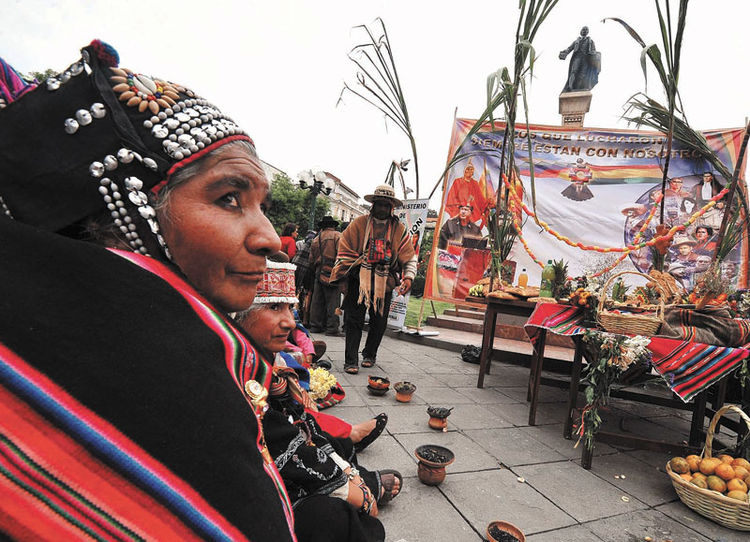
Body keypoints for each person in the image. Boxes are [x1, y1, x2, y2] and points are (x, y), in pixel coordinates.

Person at [0, 42, 296, 539]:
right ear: (132, 204)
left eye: (260, 204)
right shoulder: (172, 364)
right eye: (229, 198)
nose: (269, 237)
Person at [237, 262, 400, 542]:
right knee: (330, 516)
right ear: (239, 313)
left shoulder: (264, 362)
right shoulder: (236, 368)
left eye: (289, 308)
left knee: (332, 442)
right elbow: (274, 440)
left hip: (281, 458)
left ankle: (359, 478)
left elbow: (299, 426)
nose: (288, 320)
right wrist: (343, 484)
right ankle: (359, 487)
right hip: (252, 490)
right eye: (274, 307)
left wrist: (345, 473)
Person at [330, 185, 417, 373]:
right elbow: (344, 249)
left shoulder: (399, 229)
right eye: (380, 204)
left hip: (384, 283)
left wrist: (409, 277)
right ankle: (350, 360)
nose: (383, 209)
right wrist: (360, 261)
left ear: (391, 207)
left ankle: (370, 354)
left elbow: (409, 256)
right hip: (358, 280)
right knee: (354, 320)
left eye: (387, 205)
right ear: (373, 205)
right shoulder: (359, 223)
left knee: (379, 322)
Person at [309, 215, 343, 335]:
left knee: (317, 300)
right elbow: (342, 255)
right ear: (333, 226)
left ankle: (315, 325)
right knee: (333, 301)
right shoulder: (337, 236)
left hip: (319, 271)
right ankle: (332, 328)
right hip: (333, 272)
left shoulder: (316, 239)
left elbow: (311, 260)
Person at [559, 26, 601, 92]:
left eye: (586, 30)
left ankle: (577, 88)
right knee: (574, 71)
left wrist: (594, 54)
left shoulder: (590, 41)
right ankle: (570, 87)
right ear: (581, 31)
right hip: (577, 58)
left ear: (587, 32)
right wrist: (565, 53)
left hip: (586, 59)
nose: (584, 31)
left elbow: (593, 50)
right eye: (583, 29)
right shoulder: (576, 41)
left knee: (582, 74)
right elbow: (569, 48)